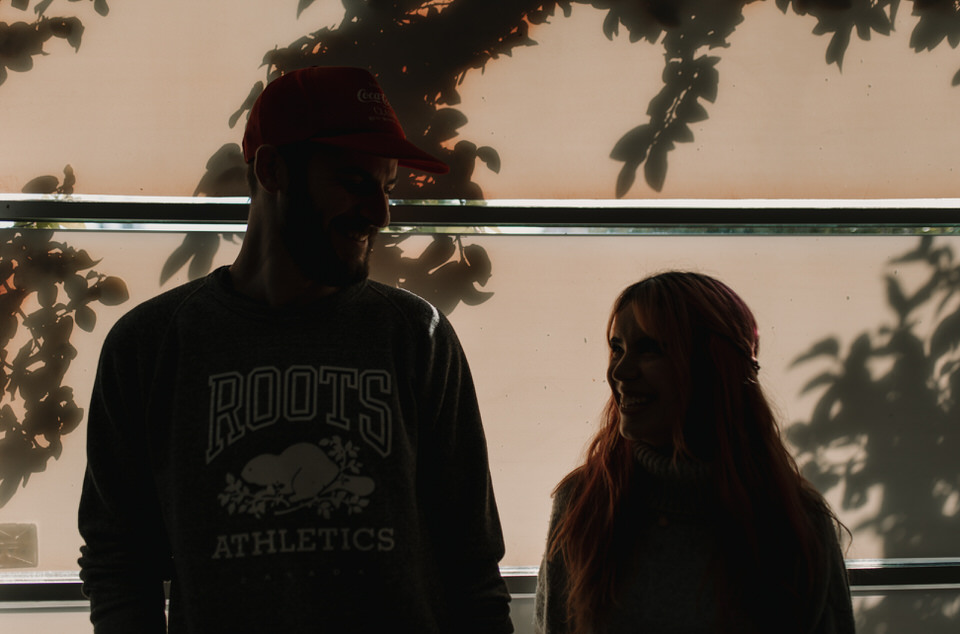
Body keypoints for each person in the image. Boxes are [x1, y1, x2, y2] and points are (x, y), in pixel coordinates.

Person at [78, 66, 513, 633]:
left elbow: (472, 565)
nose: (380, 213)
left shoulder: (416, 336)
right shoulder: (151, 345)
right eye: (355, 181)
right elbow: (118, 560)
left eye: (386, 188)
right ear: (273, 170)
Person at [535, 271, 855, 634]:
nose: (620, 371)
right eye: (617, 348)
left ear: (712, 366)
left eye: (650, 348)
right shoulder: (584, 505)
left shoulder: (796, 522)